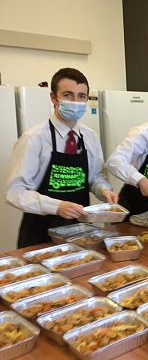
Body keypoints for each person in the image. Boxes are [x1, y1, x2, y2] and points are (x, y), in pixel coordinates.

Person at [5, 68, 118, 248]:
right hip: (39, 235)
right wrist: (56, 206)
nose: (76, 102)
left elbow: (95, 177)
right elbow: (15, 192)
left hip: (80, 231)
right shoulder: (34, 138)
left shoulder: (90, 137)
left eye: (81, 96)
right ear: (53, 97)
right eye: (68, 95)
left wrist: (104, 190)